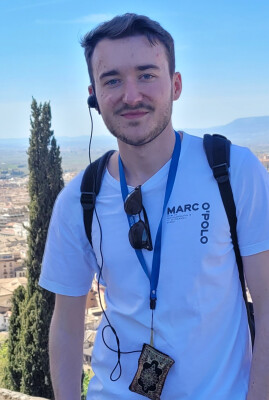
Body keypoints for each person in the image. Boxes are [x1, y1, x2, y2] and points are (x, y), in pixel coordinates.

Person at [39, 13, 269, 400]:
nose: (131, 96)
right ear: (93, 94)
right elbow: (65, 324)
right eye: (112, 80)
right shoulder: (79, 200)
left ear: (175, 85)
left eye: (146, 74)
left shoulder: (233, 171)